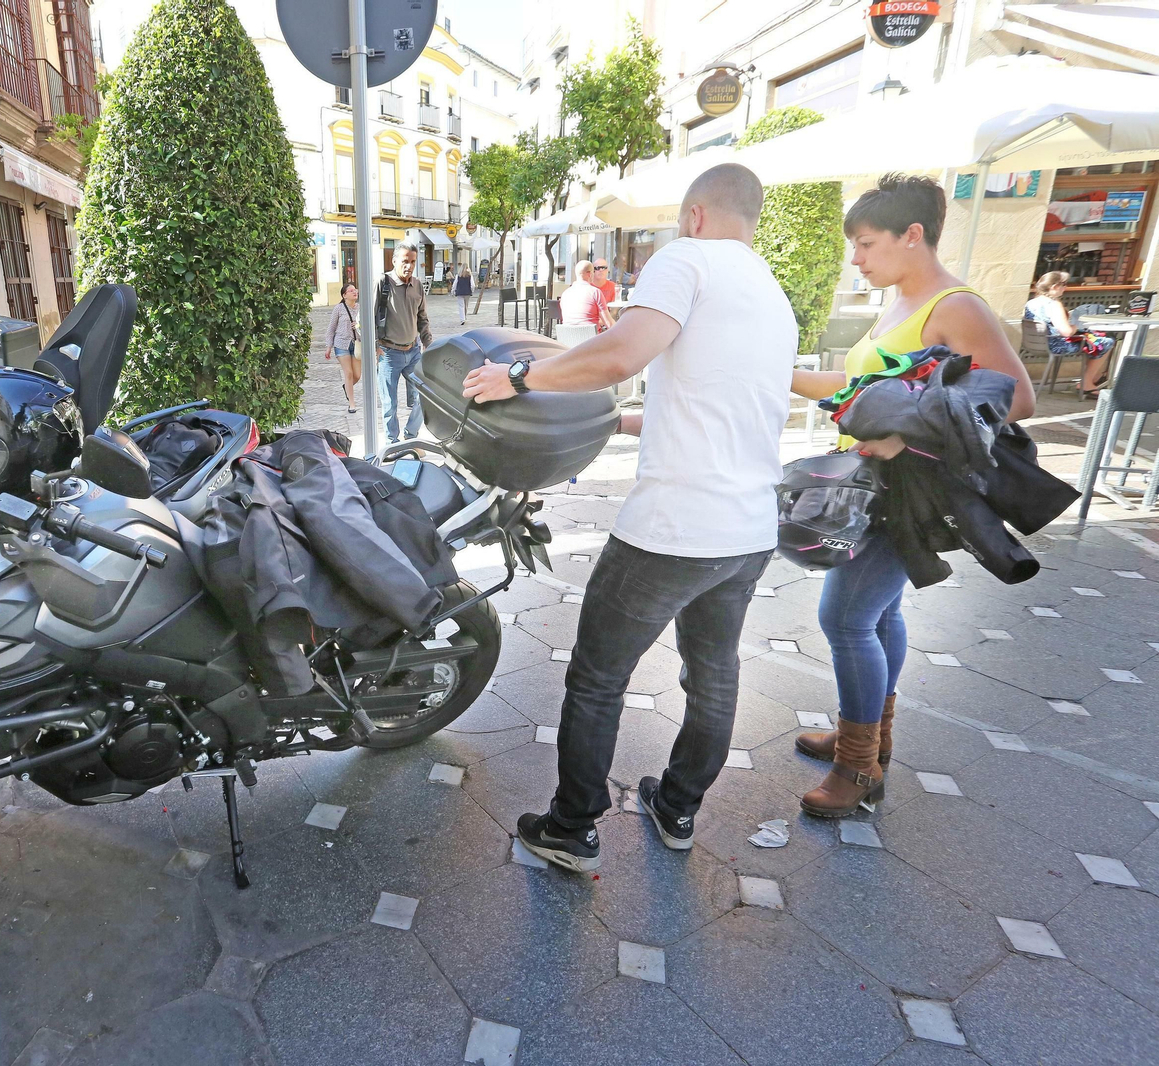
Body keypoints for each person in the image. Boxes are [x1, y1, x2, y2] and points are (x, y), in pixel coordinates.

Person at [462, 163, 797, 867]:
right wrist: (613, 425)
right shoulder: (771, 293)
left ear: (696, 214)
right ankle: (677, 809)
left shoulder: (687, 259)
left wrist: (516, 376)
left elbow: (619, 353)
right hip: (748, 530)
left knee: (596, 677)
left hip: (675, 528)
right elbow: (716, 405)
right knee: (713, 673)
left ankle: (572, 826)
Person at [789, 174, 1034, 817]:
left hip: (909, 491)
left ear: (913, 235)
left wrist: (903, 436)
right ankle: (869, 739)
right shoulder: (899, 300)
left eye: (867, 244)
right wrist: (774, 374)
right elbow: (854, 385)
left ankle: (856, 767)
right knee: (880, 614)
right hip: (872, 488)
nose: (857, 259)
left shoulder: (956, 305)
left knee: (844, 619)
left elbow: (1018, 398)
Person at [1024, 270, 1113, 398]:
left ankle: (1089, 380)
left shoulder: (1031, 303)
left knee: (1094, 342)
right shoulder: (1054, 304)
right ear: (1054, 287)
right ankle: (1087, 383)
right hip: (1056, 345)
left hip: (1036, 344)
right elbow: (1066, 332)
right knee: (1106, 342)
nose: (1066, 288)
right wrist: (1078, 325)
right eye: (1064, 284)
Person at [376, 243, 432, 444]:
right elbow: (362, 319)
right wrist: (374, 345)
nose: (409, 266)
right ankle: (393, 443)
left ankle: (411, 437)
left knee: (423, 396)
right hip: (388, 354)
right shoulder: (382, 283)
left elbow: (422, 318)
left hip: (413, 352)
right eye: (405, 261)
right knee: (390, 403)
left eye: (413, 262)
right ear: (394, 261)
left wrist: (428, 343)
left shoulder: (417, 285)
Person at [323, 282, 362, 414]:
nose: (354, 292)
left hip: (356, 344)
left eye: (355, 290)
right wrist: (328, 346)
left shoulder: (361, 308)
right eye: (351, 291)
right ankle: (352, 404)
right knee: (349, 373)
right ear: (344, 295)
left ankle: (347, 387)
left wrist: (358, 325)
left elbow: (367, 327)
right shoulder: (339, 308)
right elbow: (331, 329)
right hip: (341, 344)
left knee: (357, 375)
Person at [558, 260, 614, 333]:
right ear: (590, 274)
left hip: (568, 338)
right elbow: (609, 324)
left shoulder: (565, 294)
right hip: (591, 340)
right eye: (593, 271)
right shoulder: (595, 292)